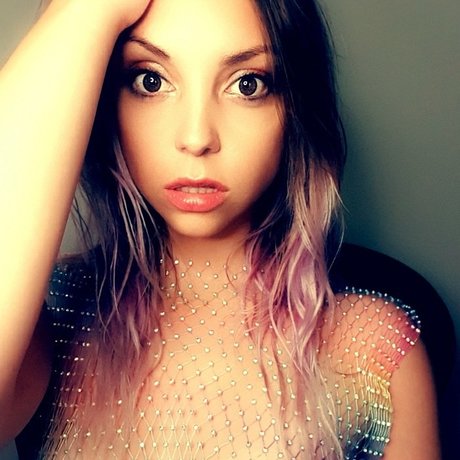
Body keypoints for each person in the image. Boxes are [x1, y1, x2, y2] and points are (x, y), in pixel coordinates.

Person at [0, 0, 440, 458]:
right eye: (150, 80)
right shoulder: (52, 313)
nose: (196, 137)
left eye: (248, 84)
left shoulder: (371, 348)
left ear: (296, 109)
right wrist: (85, 13)